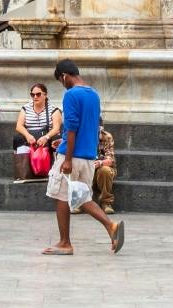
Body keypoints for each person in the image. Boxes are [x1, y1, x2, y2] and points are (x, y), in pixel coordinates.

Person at [42, 59, 122, 256]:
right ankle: (111, 226)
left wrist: (67, 158)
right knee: (82, 197)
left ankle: (65, 243)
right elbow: (90, 126)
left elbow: (72, 128)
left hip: (72, 155)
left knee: (61, 196)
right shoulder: (94, 94)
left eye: (61, 81)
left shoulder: (71, 94)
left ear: (64, 76)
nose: (63, 85)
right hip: (88, 156)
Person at [13, 83, 63, 184]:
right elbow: (19, 126)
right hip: (30, 136)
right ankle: (23, 170)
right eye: (32, 95)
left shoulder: (54, 109)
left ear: (45, 95)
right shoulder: (25, 108)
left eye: (38, 94)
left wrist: (46, 137)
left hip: (47, 136)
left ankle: (55, 171)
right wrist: (27, 135)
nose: (35, 97)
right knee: (18, 138)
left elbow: (56, 128)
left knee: (57, 140)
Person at [94, 126, 118, 215]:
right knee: (78, 165)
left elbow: (111, 160)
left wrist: (100, 163)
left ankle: (106, 203)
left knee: (105, 170)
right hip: (87, 167)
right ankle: (79, 202)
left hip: (101, 167)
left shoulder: (106, 137)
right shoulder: (81, 135)